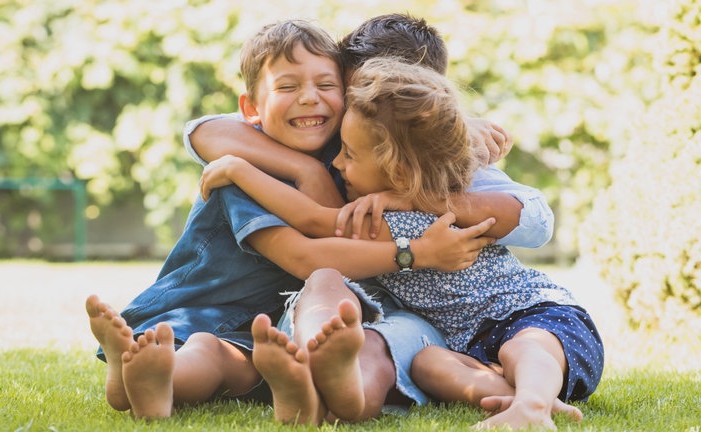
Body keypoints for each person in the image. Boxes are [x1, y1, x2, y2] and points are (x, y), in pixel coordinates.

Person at [85, 19, 498, 421]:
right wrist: (415, 253)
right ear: (251, 108)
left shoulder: (346, 153)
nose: (309, 98)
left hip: (266, 330)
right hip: (206, 313)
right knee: (206, 349)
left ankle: (147, 383)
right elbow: (307, 256)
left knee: (228, 360)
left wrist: (454, 126)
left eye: (325, 85)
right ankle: (152, 374)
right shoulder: (243, 174)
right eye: (287, 87)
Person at [201, 57, 604, 430]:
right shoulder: (381, 211)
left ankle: (532, 403)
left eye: (349, 154)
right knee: (428, 365)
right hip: (472, 347)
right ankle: (523, 398)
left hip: (535, 316)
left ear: (395, 168)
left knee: (523, 348)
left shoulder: (408, 220)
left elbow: (312, 219)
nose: (338, 165)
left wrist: (240, 170)